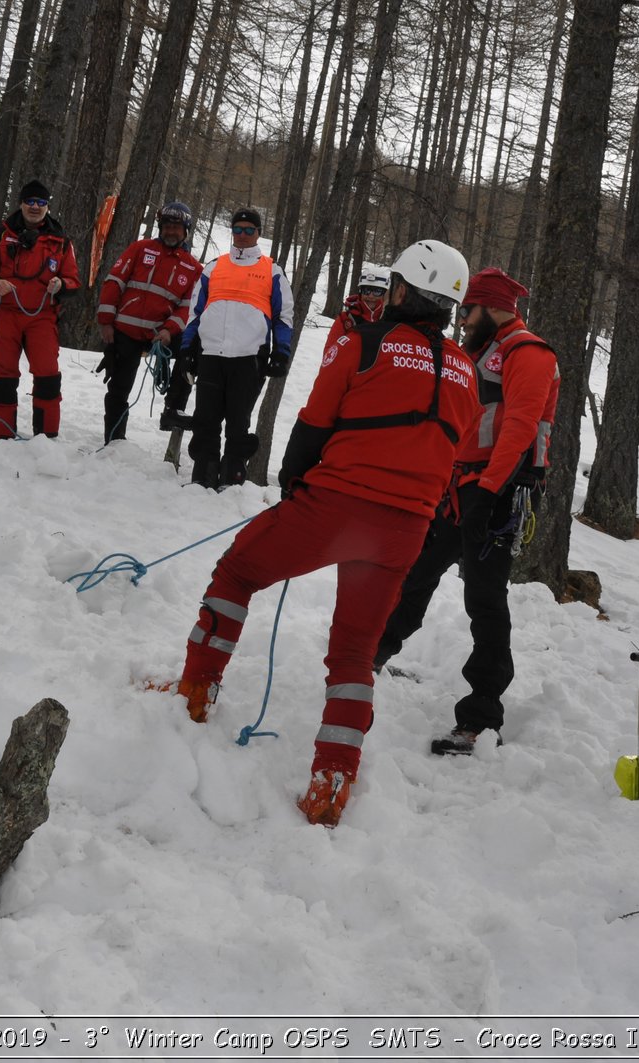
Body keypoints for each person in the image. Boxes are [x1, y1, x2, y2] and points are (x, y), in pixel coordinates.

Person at [158, 240, 481, 827]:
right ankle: (333, 778)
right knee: (355, 652)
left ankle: (195, 690)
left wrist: (294, 484)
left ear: (403, 291)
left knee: (237, 571)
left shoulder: (364, 342)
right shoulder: (465, 370)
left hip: (337, 506)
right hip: (406, 528)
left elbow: (313, 422)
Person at [372, 266, 559, 756]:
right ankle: (371, 656)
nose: (463, 320)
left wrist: (489, 492)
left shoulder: (530, 353)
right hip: (458, 488)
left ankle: (480, 716)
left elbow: (520, 426)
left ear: (491, 307)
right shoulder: (481, 350)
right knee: (414, 574)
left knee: (485, 602)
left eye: (469, 310)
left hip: (499, 496)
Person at [174, 207, 293, 487]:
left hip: (249, 357)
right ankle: (202, 478)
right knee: (206, 419)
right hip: (212, 355)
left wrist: (281, 352)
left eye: (249, 230)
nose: (242, 235)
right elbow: (195, 312)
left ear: (258, 234)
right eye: (237, 229)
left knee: (238, 423)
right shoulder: (215, 266)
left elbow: (284, 317)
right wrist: (187, 349)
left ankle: (232, 481)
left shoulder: (272, 271)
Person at [0, 179, 81, 439]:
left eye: (41, 203)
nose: (35, 207)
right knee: (4, 376)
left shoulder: (61, 241)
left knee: (47, 374)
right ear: (21, 203)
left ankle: (46, 436)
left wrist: (61, 284)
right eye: (30, 202)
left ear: (47, 206)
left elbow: (74, 280)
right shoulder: (1, 234)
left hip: (41, 317)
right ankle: (3, 435)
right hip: (6, 314)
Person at [95, 201, 202, 443]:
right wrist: (106, 322)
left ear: (186, 231)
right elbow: (114, 282)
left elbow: (187, 308)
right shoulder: (140, 249)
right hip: (125, 331)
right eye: (167, 226)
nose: (171, 231)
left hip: (160, 336)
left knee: (192, 353)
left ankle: (172, 409)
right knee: (119, 389)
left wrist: (168, 330)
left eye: (176, 227)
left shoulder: (193, 267)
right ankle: (114, 440)